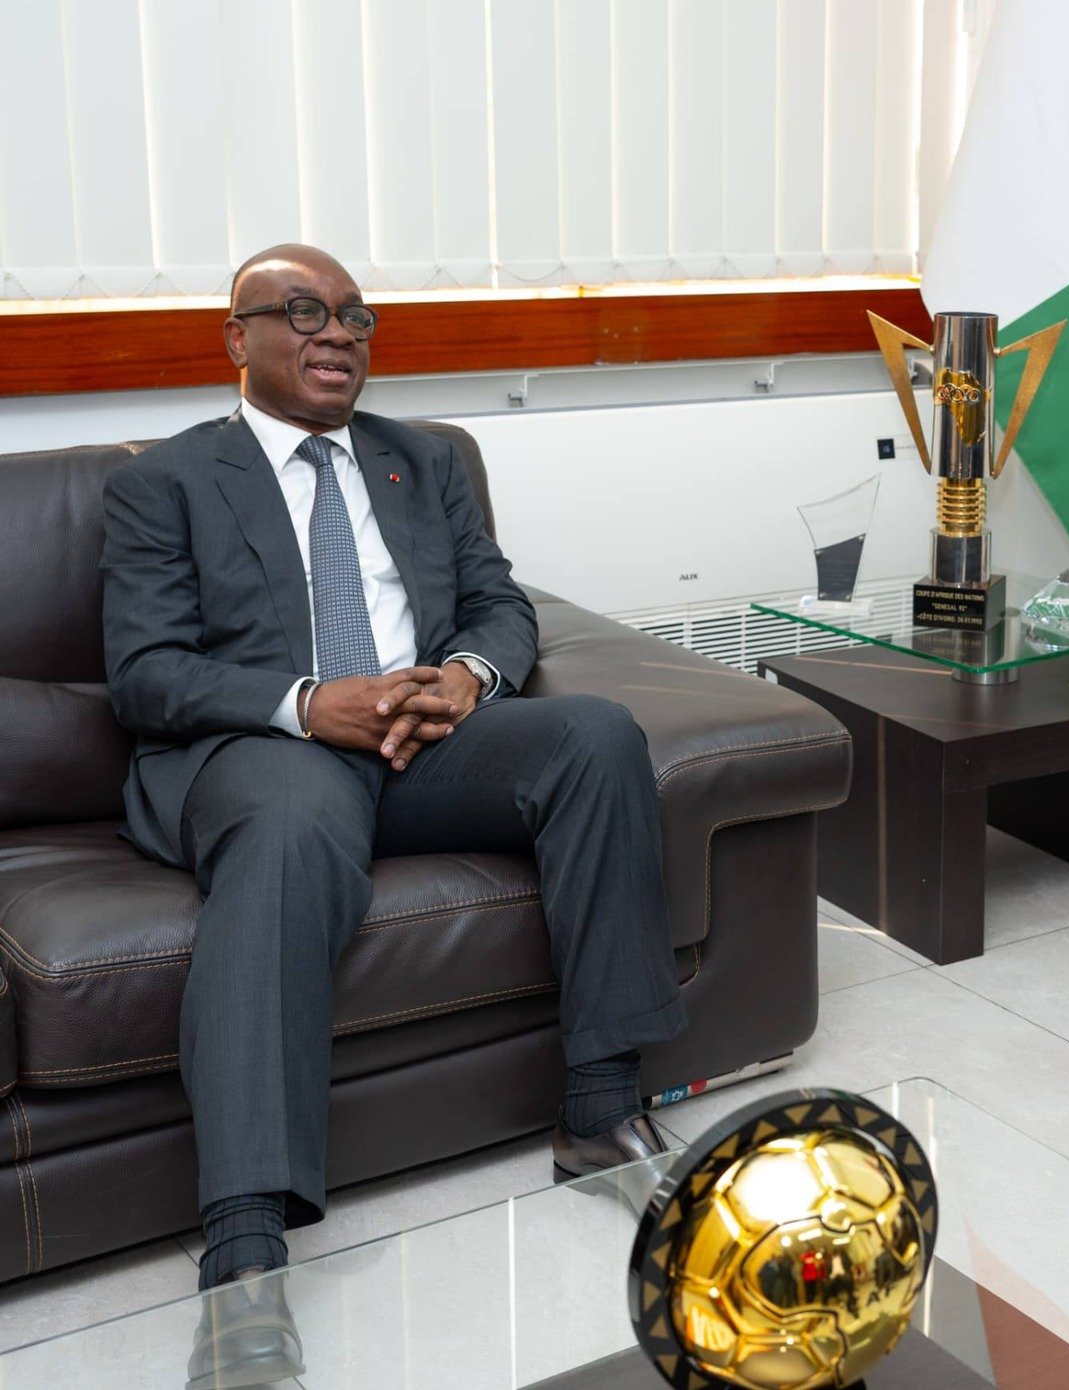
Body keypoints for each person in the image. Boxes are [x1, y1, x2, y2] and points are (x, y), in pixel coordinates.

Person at [100, 244, 688, 1385]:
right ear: (238, 338)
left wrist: (465, 675)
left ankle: (601, 1107)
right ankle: (243, 1254)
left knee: (598, 735)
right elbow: (146, 674)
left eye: (357, 317)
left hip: (424, 734)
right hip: (269, 745)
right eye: (303, 311)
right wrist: (311, 702)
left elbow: (497, 601)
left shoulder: (425, 459)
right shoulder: (165, 482)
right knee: (282, 834)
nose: (337, 334)